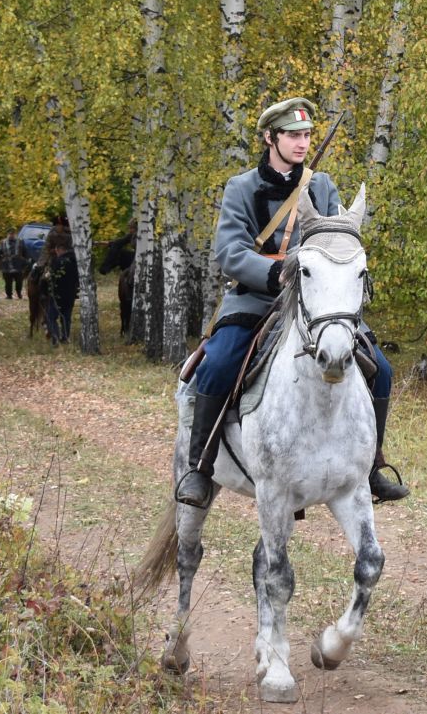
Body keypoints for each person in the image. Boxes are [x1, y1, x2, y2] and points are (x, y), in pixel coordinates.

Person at [174, 97, 407, 507]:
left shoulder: (322, 184)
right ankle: (199, 466)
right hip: (256, 298)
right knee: (219, 363)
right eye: (293, 136)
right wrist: (274, 274)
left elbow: (335, 241)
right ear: (270, 138)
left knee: (381, 369)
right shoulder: (241, 187)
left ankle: (370, 468)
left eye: (307, 136)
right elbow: (229, 251)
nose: (302, 144)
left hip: (315, 303)